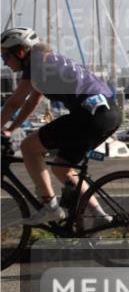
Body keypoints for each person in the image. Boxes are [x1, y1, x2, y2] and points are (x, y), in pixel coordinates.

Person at [1, 27, 121, 226]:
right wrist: (10, 129)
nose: (4, 61)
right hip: (109, 113)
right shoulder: (47, 62)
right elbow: (31, 103)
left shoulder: (36, 66)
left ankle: (51, 207)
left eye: (5, 55)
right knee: (62, 166)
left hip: (90, 115)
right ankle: (100, 216)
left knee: (29, 148)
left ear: (20, 52)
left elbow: (15, 102)